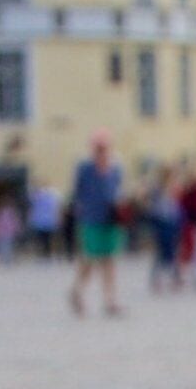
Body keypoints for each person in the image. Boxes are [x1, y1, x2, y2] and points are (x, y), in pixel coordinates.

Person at [67, 135, 127, 318]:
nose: (101, 151)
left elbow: (118, 191)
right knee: (89, 259)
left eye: (104, 147)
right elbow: (77, 193)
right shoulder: (84, 168)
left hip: (110, 219)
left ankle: (110, 300)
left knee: (109, 260)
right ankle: (77, 291)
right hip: (91, 219)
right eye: (98, 147)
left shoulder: (116, 168)